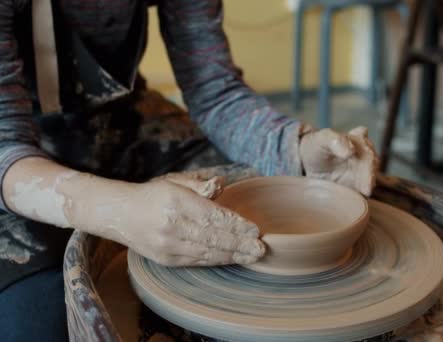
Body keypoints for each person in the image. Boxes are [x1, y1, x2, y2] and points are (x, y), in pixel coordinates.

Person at [0, 0, 377, 340]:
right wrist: (118, 210)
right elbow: (5, 143)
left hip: (122, 116)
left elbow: (214, 89)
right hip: (20, 159)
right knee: (43, 319)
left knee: (245, 200)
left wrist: (295, 147)